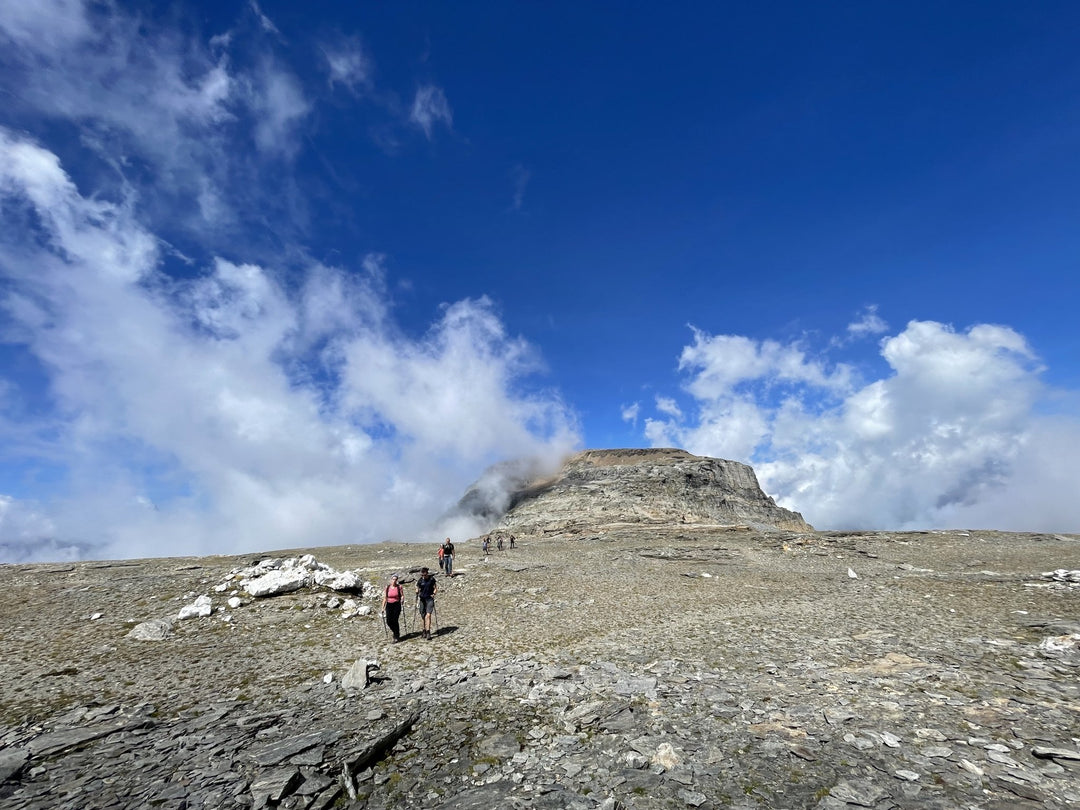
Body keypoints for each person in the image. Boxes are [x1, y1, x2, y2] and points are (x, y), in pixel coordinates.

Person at [380, 574, 404, 642]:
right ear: (391, 580)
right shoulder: (387, 587)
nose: (394, 581)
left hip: (397, 604)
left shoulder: (399, 587)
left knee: (395, 620)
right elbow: (385, 598)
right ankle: (395, 632)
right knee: (388, 621)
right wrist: (382, 608)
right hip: (389, 604)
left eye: (395, 579)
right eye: (393, 579)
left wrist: (402, 600)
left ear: (397, 580)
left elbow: (402, 595)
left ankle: (396, 635)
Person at [416, 567, 437, 640]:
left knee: (428, 615)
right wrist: (417, 590)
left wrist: (434, 593)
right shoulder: (420, 580)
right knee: (423, 615)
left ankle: (428, 632)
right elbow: (417, 587)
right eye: (422, 575)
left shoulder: (431, 579)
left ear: (427, 573)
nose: (423, 576)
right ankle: (424, 630)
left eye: (424, 575)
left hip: (429, 599)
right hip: (422, 599)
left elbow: (435, 588)